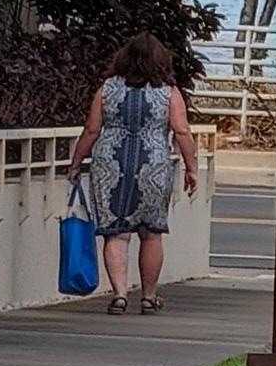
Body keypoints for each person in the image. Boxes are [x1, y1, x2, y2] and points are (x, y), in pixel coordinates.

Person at [70, 32, 200, 314]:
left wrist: (77, 161)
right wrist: (192, 167)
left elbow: (92, 129)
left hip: (110, 164)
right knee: (151, 232)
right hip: (152, 164)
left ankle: (119, 295)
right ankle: (149, 296)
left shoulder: (108, 88)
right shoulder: (168, 92)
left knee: (116, 233)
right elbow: (181, 130)